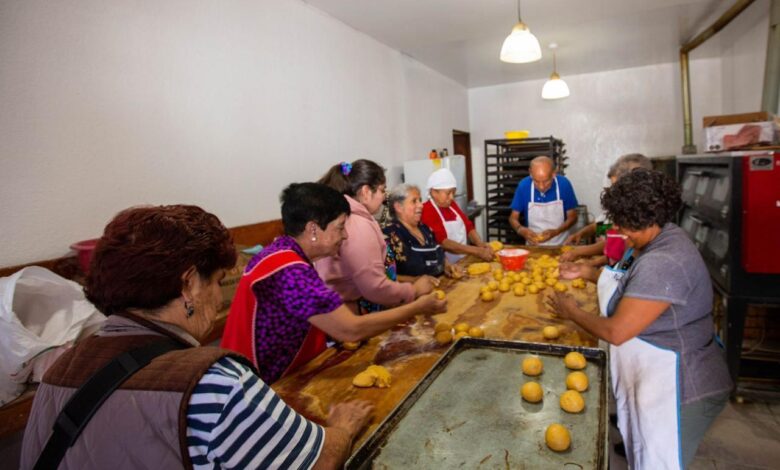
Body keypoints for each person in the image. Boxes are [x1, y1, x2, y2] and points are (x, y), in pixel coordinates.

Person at [21, 205, 374, 470]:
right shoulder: (215, 383)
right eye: (218, 281)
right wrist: (341, 428)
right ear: (189, 284)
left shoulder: (58, 372)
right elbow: (317, 462)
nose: (219, 298)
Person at [546, 170, 732, 469]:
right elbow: (632, 288)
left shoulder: (664, 262)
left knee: (660, 462)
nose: (617, 229)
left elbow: (617, 331)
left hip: (681, 389)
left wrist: (571, 311)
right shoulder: (659, 237)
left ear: (645, 218)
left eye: (623, 223)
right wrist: (586, 273)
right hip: (660, 379)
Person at [221, 183, 447, 384]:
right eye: (340, 226)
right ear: (313, 229)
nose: (346, 235)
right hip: (257, 386)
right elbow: (350, 329)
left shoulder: (284, 253)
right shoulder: (289, 271)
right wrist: (418, 306)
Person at [315, 160, 437, 312]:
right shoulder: (357, 223)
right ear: (366, 192)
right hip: (357, 313)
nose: (384, 197)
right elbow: (374, 287)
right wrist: (414, 290)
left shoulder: (350, 216)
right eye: (382, 190)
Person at [562, 153, 654, 265]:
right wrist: (582, 233)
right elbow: (605, 227)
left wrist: (583, 255)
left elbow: (623, 253)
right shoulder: (620, 207)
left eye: (616, 186)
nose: (613, 191)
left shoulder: (641, 220)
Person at [383, 183, 463, 278]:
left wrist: (447, 266)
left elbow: (438, 251)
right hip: (414, 292)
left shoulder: (425, 228)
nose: (420, 205)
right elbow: (388, 276)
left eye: (420, 200)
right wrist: (414, 281)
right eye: (414, 201)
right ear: (399, 207)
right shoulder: (389, 236)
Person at [420, 168, 493, 263]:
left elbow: (468, 226)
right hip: (445, 266)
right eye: (448, 193)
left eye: (453, 192)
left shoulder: (451, 205)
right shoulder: (427, 210)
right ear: (434, 192)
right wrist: (476, 251)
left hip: (462, 260)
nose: (451, 197)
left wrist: (479, 243)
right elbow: (443, 242)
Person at [508, 156, 579, 245]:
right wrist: (520, 229)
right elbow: (513, 218)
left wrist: (556, 231)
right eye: (536, 181)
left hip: (561, 244)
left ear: (553, 174)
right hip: (534, 246)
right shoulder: (524, 186)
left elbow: (573, 217)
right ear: (530, 173)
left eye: (546, 181)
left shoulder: (564, 184)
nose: (541, 186)